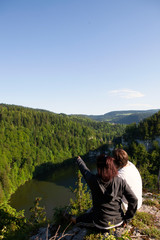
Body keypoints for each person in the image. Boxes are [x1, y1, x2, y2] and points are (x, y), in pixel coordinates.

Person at [68, 155, 138, 231]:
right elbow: (134, 200)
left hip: (100, 224)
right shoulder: (120, 181)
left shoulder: (94, 181)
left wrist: (79, 160)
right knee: (90, 215)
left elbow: (85, 171)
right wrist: (127, 219)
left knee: (82, 219)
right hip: (118, 221)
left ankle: (72, 219)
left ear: (99, 168)